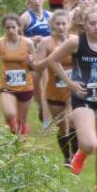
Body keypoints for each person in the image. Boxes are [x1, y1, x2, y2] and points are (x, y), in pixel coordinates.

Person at [42, 5, 97, 192]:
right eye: (92, 23)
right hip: (83, 98)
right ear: (85, 25)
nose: (96, 27)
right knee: (89, 143)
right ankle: (81, 153)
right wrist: (69, 82)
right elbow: (52, 60)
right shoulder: (76, 42)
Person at [35, 9, 76, 164]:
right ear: (52, 25)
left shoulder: (75, 40)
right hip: (54, 91)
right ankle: (67, 157)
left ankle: (76, 157)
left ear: (69, 25)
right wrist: (51, 58)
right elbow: (38, 67)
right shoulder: (46, 43)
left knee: (72, 120)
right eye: (57, 24)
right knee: (63, 127)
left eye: (64, 23)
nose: (60, 27)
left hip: (73, 88)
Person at [0, 14, 37, 135]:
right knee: (10, 114)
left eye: (13, 27)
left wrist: (31, 62)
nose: (10, 30)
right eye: (7, 27)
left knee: (21, 122)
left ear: (19, 27)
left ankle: (20, 145)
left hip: (25, 86)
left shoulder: (28, 43)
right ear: (4, 28)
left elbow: (35, 66)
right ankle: (14, 130)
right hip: (7, 85)